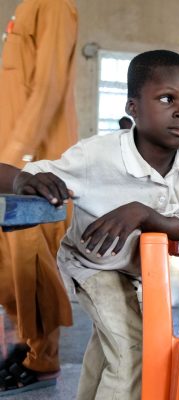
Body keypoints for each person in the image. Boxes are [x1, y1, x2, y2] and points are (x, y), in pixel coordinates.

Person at [1, 50, 179, 399]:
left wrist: (140, 211)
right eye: (167, 98)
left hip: (140, 270)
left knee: (108, 348)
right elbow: (12, 175)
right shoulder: (95, 156)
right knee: (131, 349)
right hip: (92, 265)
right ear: (132, 107)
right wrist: (25, 181)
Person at [0, 0, 78, 395]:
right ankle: (21, 346)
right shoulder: (26, 7)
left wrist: (13, 160)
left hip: (35, 166)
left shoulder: (53, 6)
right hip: (10, 162)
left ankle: (43, 361)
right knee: (10, 269)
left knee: (32, 265)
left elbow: (48, 86)